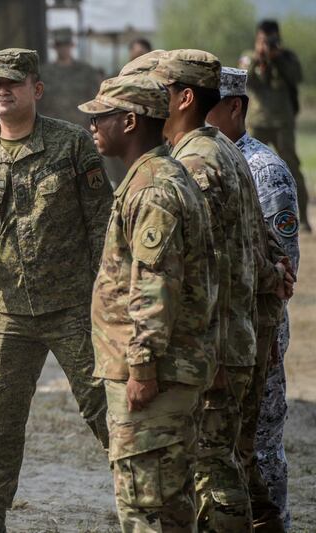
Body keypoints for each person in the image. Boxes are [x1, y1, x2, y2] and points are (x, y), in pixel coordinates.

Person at [0, 48, 112, 533]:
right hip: (11, 311)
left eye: (13, 82)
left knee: (104, 410)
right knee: (0, 423)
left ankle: (145, 503)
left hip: (74, 306)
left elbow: (101, 223)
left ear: (37, 88)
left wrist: (105, 294)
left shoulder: (71, 144)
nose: (2, 91)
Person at [150, 49, 289, 531]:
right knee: (232, 463)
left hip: (216, 342)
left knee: (215, 465)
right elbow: (257, 252)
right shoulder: (218, 150)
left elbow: (204, 266)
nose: (151, 100)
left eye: (160, 92)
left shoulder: (199, 163)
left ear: (184, 98)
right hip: (231, 335)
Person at [80, 72, 217, 532]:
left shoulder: (153, 189)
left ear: (131, 120)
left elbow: (154, 285)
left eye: (101, 117)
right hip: (167, 369)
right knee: (169, 504)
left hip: (155, 376)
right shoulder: (154, 178)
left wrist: (141, 367)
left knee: (147, 507)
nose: (92, 126)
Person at [207, 66, 298, 531]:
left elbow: (284, 269)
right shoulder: (195, 161)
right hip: (212, 337)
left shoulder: (264, 170)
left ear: (235, 106)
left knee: (260, 450)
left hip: (256, 335)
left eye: (210, 103)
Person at [240, 19, 310, 232]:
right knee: (246, 169)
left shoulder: (287, 58)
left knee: (292, 168)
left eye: (271, 40)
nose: (268, 44)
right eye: (263, 39)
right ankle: (244, 219)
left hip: (282, 123)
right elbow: (245, 79)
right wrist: (259, 58)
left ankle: (304, 219)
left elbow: (297, 76)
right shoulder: (248, 57)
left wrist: (278, 59)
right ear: (257, 39)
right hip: (257, 123)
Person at [38, 27, 102, 128]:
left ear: (72, 45)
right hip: (53, 130)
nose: (63, 48)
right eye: (60, 44)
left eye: (66, 44)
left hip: (81, 130)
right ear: (54, 46)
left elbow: (96, 101)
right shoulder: (44, 73)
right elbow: (38, 103)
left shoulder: (86, 72)